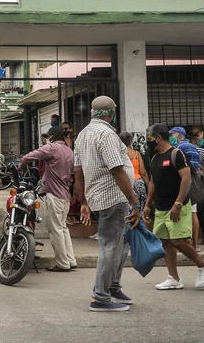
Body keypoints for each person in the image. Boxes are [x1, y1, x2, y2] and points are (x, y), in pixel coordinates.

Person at [73, 96, 140, 312]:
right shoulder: (107, 134)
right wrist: (134, 201)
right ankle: (100, 297)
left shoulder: (83, 134)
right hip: (114, 198)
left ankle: (112, 287)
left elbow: (78, 171)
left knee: (120, 245)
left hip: (100, 197)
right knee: (111, 245)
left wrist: (84, 201)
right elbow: (116, 169)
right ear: (112, 112)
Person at [143, 123, 204, 291]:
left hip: (177, 206)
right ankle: (174, 278)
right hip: (161, 206)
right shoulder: (155, 158)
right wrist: (147, 204)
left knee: (178, 241)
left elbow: (186, 179)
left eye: (150, 139)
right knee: (165, 242)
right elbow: (153, 182)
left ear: (158, 138)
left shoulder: (177, 154)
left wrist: (178, 203)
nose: (148, 143)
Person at [19, 127, 76, 271]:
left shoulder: (51, 148)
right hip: (65, 196)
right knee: (63, 228)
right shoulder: (69, 151)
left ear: (51, 137)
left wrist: (21, 165)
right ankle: (70, 260)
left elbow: (30, 156)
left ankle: (62, 264)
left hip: (54, 196)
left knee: (55, 230)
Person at [168, 127, 204, 252]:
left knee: (178, 211)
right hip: (194, 183)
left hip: (181, 183)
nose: (170, 138)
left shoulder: (177, 148)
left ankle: (182, 242)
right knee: (192, 213)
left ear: (180, 136)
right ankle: (194, 245)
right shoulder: (195, 149)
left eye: (172, 135)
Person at [119, 132, 150, 213]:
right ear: (130, 141)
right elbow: (143, 173)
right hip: (138, 184)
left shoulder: (118, 154)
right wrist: (149, 187)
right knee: (140, 212)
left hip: (124, 184)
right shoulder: (136, 154)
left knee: (127, 213)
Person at [63, 122, 81, 226]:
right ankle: (68, 215)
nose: (65, 131)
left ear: (71, 129)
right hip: (65, 171)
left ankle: (74, 214)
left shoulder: (76, 142)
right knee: (67, 193)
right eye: (63, 129)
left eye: (67, 129)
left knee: (76, 192)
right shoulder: (61, 142)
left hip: (75, 170)